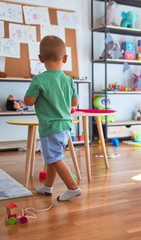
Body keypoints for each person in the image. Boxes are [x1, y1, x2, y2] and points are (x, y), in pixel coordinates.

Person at [24, 35, 82, 201]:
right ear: (65, 58)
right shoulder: (68, 79)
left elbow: (28, 101)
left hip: (50, 127)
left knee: (55, 158)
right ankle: (48, 187)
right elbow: (75, 101)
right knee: (52, 158)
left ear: (40, 59)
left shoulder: (39, 80)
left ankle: (73, 187)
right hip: (65, 126)